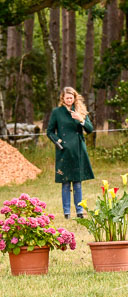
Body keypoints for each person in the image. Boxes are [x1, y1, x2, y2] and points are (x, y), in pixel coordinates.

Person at [47, 87, 94, 219]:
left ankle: (79, 211)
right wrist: (58, 142)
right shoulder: (57, 112)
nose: (69, 100)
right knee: (66, 182)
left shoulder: (81, 111)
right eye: (66, 98)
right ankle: (66, 212)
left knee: (78, 182)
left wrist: (81, 119)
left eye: (71, 97)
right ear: (62, 98)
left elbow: (90, 129)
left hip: (78, 150)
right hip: (64, 151)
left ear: (74, 98)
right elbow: (49, 131)